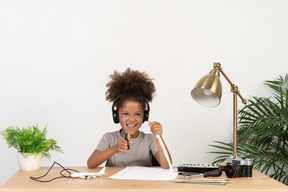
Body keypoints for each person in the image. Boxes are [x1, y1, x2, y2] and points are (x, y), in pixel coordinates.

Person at [87, 68, 172, 169]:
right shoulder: (109, 138)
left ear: (145, 116)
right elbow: (91, 164)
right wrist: (114, 149)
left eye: (137, 114)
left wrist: (159, 137)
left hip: (142, 184)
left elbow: (167, 166)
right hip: (115, 184)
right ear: (116, 115)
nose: (131, 119)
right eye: (126, 114)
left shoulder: (149, 139)